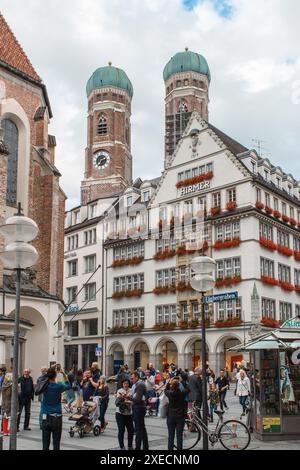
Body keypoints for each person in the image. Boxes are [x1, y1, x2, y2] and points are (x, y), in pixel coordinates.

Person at [41, 367, 70, 451]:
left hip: (46, 416)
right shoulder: (59, 386)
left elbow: (41, 379)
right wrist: (64, 374)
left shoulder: (44, 386)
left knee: (45, 442)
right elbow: (68, 385)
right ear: (55, 376)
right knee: (56, 442)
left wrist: (48, 371)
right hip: (57, 416)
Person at [165, 377, 189, 450]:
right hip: (180, 416)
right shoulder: (182, 393)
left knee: (171, 436)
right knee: (179, 436)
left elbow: (165, 389)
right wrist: (183, 381)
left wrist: (169, 381)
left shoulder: (169, 393)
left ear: (172, 386)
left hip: (171, 416)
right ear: (179, 385)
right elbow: (188, 389)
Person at [131, 370, 148, 451]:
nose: (132, 380)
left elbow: (137, 399)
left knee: (138, 429)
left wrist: (127, 397)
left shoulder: (140, 385)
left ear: (137, 377)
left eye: (133, 378)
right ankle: (145, 446)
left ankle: (138, 447)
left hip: (139, 408)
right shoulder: (138, 384)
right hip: (139, 407)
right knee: (142, 428)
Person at [115, 378, 134, 450]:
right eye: (124, 383)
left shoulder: (131, 390)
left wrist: (128, 398)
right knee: (121, 430)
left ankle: (130, 445)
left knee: (131, 430)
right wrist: (124, 399)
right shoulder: (119, 391)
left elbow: (133, 401)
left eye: (127, 383)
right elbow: (118, 403)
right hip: (120, 414)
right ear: (122, 384)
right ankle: (122, 446)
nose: (126, 385)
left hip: (129, 414)